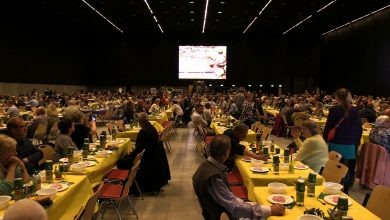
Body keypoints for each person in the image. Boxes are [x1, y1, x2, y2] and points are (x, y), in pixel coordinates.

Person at [192, 135, 285, 220]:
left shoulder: (206, 166)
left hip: (221, 211)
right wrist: (269, 210)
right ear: (226, 154)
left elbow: (230, 201)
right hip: (223, 215)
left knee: (259, 205)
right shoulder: (213, 177)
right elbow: (235, 207)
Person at [117, 112, 170, 194]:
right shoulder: (151, 127)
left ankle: (122, 186)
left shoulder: (144, 131)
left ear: (139, 122)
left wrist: (129, 155)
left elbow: (138, 149)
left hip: (148, 157)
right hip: (154, 155)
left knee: (121, 162)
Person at [323, 88, 362, 194]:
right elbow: (359, 128)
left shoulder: (334, 110)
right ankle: (346, 189)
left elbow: (328, 127)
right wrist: (356, 142)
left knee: (335, 166)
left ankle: (334, 187)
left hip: (336, 142)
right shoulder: (355, 110)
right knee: (347, 167)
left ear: (336, 97)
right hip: (350, 143)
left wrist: (324, 139)